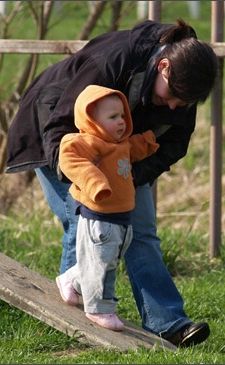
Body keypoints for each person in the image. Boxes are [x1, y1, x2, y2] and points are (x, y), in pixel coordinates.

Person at [6, 18, 219, 347]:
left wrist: (130, 176)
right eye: (174, 96)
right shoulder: (113, 60)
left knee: (141, 230)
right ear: (163, 66)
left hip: (123, 152)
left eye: (185, 103)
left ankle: (169, 324)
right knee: (85, 222)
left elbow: (174, 146)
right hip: (61, 134)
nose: (176, 106)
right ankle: (74, 326)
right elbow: (60, 122)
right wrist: (80, 179)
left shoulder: (185, 84)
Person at [56, 85, 159, 331]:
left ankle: (72, 277)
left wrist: (149, 141)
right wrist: (96, 183)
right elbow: (71, 160)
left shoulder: (119, 144)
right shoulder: (84, 142)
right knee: (101, 265)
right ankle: (99, 309)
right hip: (99, 218)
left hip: (123, 217)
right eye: (113, 117)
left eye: (122, 116)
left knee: (107, 260)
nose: (121, 122)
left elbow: (133, 148)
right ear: (92, 121)